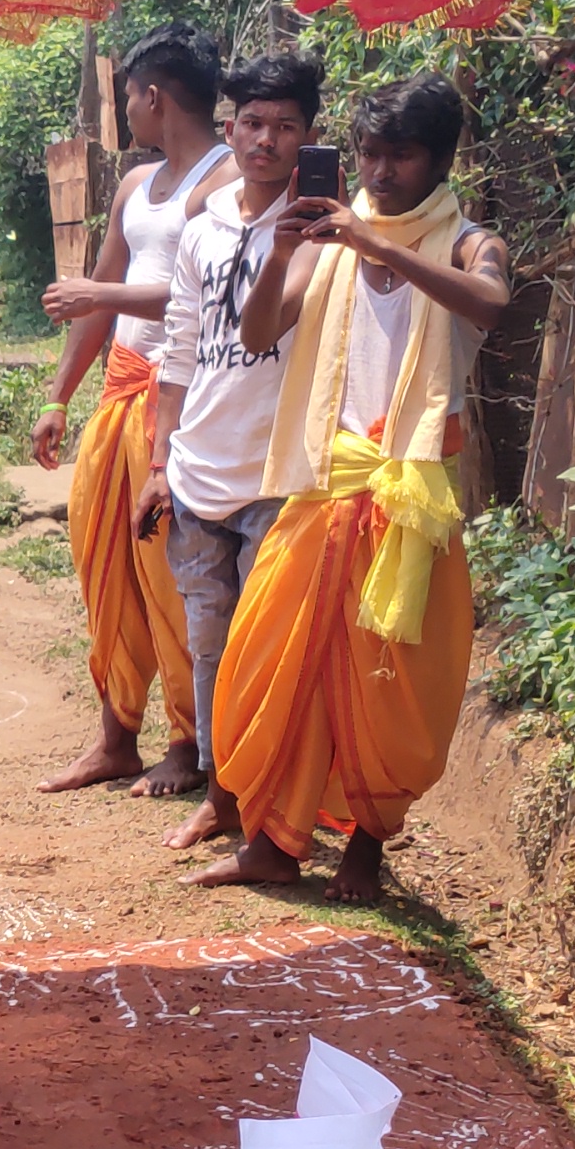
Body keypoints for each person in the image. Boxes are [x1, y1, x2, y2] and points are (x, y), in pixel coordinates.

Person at [194, 74, 511, 904]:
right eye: (368, 152)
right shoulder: (334, 236)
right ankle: (271, 843)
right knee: (269, 663)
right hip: (322, 486)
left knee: (388, 685)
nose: (377, 170)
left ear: (440, 159)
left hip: (409, 500)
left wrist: (376, 248)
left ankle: (366, 854)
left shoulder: (468, 241)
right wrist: (292, 250)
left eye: (399, 155)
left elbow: (492, 303)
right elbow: (261, 331)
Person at [29, 28, 234, 799]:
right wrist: (58, 396)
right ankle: (117, 734)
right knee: (104, 561)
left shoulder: (224, 183)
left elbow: (205, 295)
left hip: (179, 400)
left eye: (128, 97)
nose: (126, 111)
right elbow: (101, 293)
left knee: (169, 572)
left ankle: (187, 742)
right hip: (119, 390)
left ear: (154, 95)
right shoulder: (134, 186)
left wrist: (101, 296)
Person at [152, 54, 314, 852]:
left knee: (269, 646)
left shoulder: (323, 227)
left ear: (308, 136)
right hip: (196, 469)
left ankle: (270, 799)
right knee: (209, 639)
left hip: (279, 472)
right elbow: (178, 350)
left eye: (286, 126)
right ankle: (221, 793)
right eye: (253, 122)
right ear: (230, 128)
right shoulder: (202, 227)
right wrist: (158, 462)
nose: (267, 140)